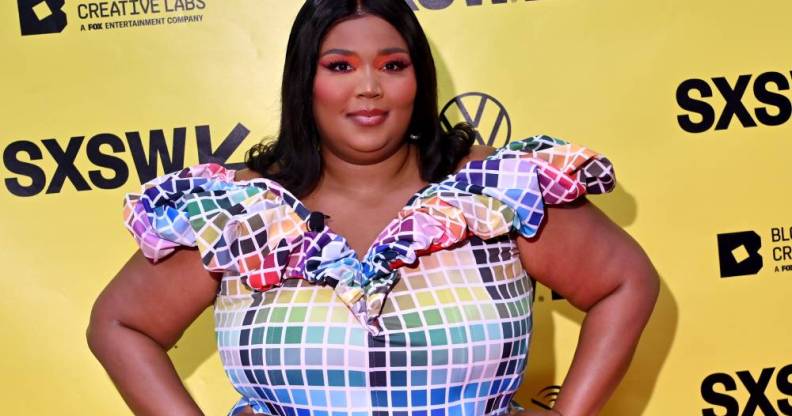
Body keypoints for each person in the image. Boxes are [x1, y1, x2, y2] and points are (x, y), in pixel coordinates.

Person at [87, 1, 659, 415]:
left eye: (392, 65)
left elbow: (624, 282)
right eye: (340, 66)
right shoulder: (239, 210)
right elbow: (120, 325)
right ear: (304, 81)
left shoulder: (494, 189)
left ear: (419, 80)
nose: (369, 88)